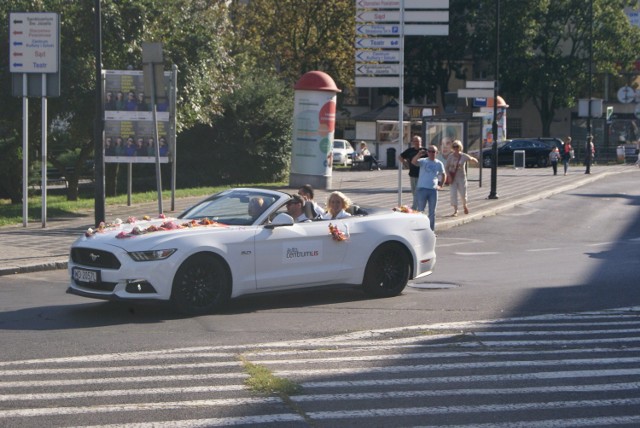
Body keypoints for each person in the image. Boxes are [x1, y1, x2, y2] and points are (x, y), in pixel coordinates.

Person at [412, 145, 446, 231]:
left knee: (432, 212)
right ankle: (419, 229)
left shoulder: (439, 163)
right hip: (422, 189)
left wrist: (441, 185)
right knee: (420, 211)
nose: (431, 153)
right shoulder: (423, 161)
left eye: (433, 152)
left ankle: (431, 230)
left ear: (436, 153)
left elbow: (443, 174)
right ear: (427, 152)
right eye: (430, 151)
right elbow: (413, 162)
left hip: (433, 190)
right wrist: (418, 154)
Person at [445, 140, 478, 216]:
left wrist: (474, 160)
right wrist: (448, 176)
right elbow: (446, 167)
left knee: (463, 193)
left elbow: (473, 160)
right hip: (453, 177)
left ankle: (464, 205)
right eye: (454, 146)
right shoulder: (450, 156)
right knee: (453, 193)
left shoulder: (463, 156)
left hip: (461, 177)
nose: (456, 148)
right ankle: (456, 210)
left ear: (460, 147)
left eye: (457, 146)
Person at [399, 135, 424, 210]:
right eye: (415, 141)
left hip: (422, 175)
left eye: (418, 141)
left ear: (421, 142)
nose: (417, 143)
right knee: (414, 192)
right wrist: (405, 163)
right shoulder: (410, 150)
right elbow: (400, 156)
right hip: (413, 174)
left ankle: (416, 207)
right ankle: (417, 207)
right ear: (413, 142)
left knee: (419, 192)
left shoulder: (424, 150)